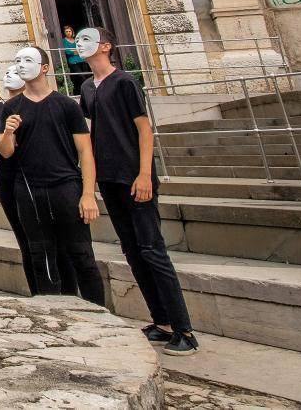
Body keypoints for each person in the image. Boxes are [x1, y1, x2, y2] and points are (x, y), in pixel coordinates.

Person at [78, 27, 197, 356]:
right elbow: (89, 132)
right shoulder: (87, 87)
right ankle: (161, 322)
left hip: (135, 177)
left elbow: (144, 129)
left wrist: (145, 173)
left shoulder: (126, 82)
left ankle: (184, 328)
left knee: (153, 250)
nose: (80, 45)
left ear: (106, 46)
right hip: (110, 179)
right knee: (132, 251)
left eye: (87, 40)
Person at [0, 45, 104, 306]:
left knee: (81, 254)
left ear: (44, 67)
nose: (21, 65)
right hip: (30, 190)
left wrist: (88, 195)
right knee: (40, 255)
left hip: (66, 186)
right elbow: (6, 153)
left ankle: (98, 310)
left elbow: (85, 151)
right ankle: (53, 313)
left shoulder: (66, 105)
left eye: (28, 60)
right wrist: (8, 132)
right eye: (17, 60)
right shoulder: (11, 107)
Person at [0, 64, 43, 294]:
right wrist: (4, 141)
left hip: (37, 174)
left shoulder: (40, 104)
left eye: (16, 72)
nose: (9, 75)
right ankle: (36, 289)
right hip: (8, 175)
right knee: (24, 238)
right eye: (7, 72)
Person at [60, 25, 89, 96]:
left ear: (72, 32)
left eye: (69, 31)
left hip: (81, 60)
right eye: (66, 31)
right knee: (80, 76)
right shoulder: (63, 41)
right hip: (73, 61)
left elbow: (81, 48)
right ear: (64, 33)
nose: (68, 33)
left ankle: (85, 91)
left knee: (86, 75)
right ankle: (85, 91)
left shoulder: (76, 40)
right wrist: (74, 51)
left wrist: (77, 51)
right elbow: (67, 51)